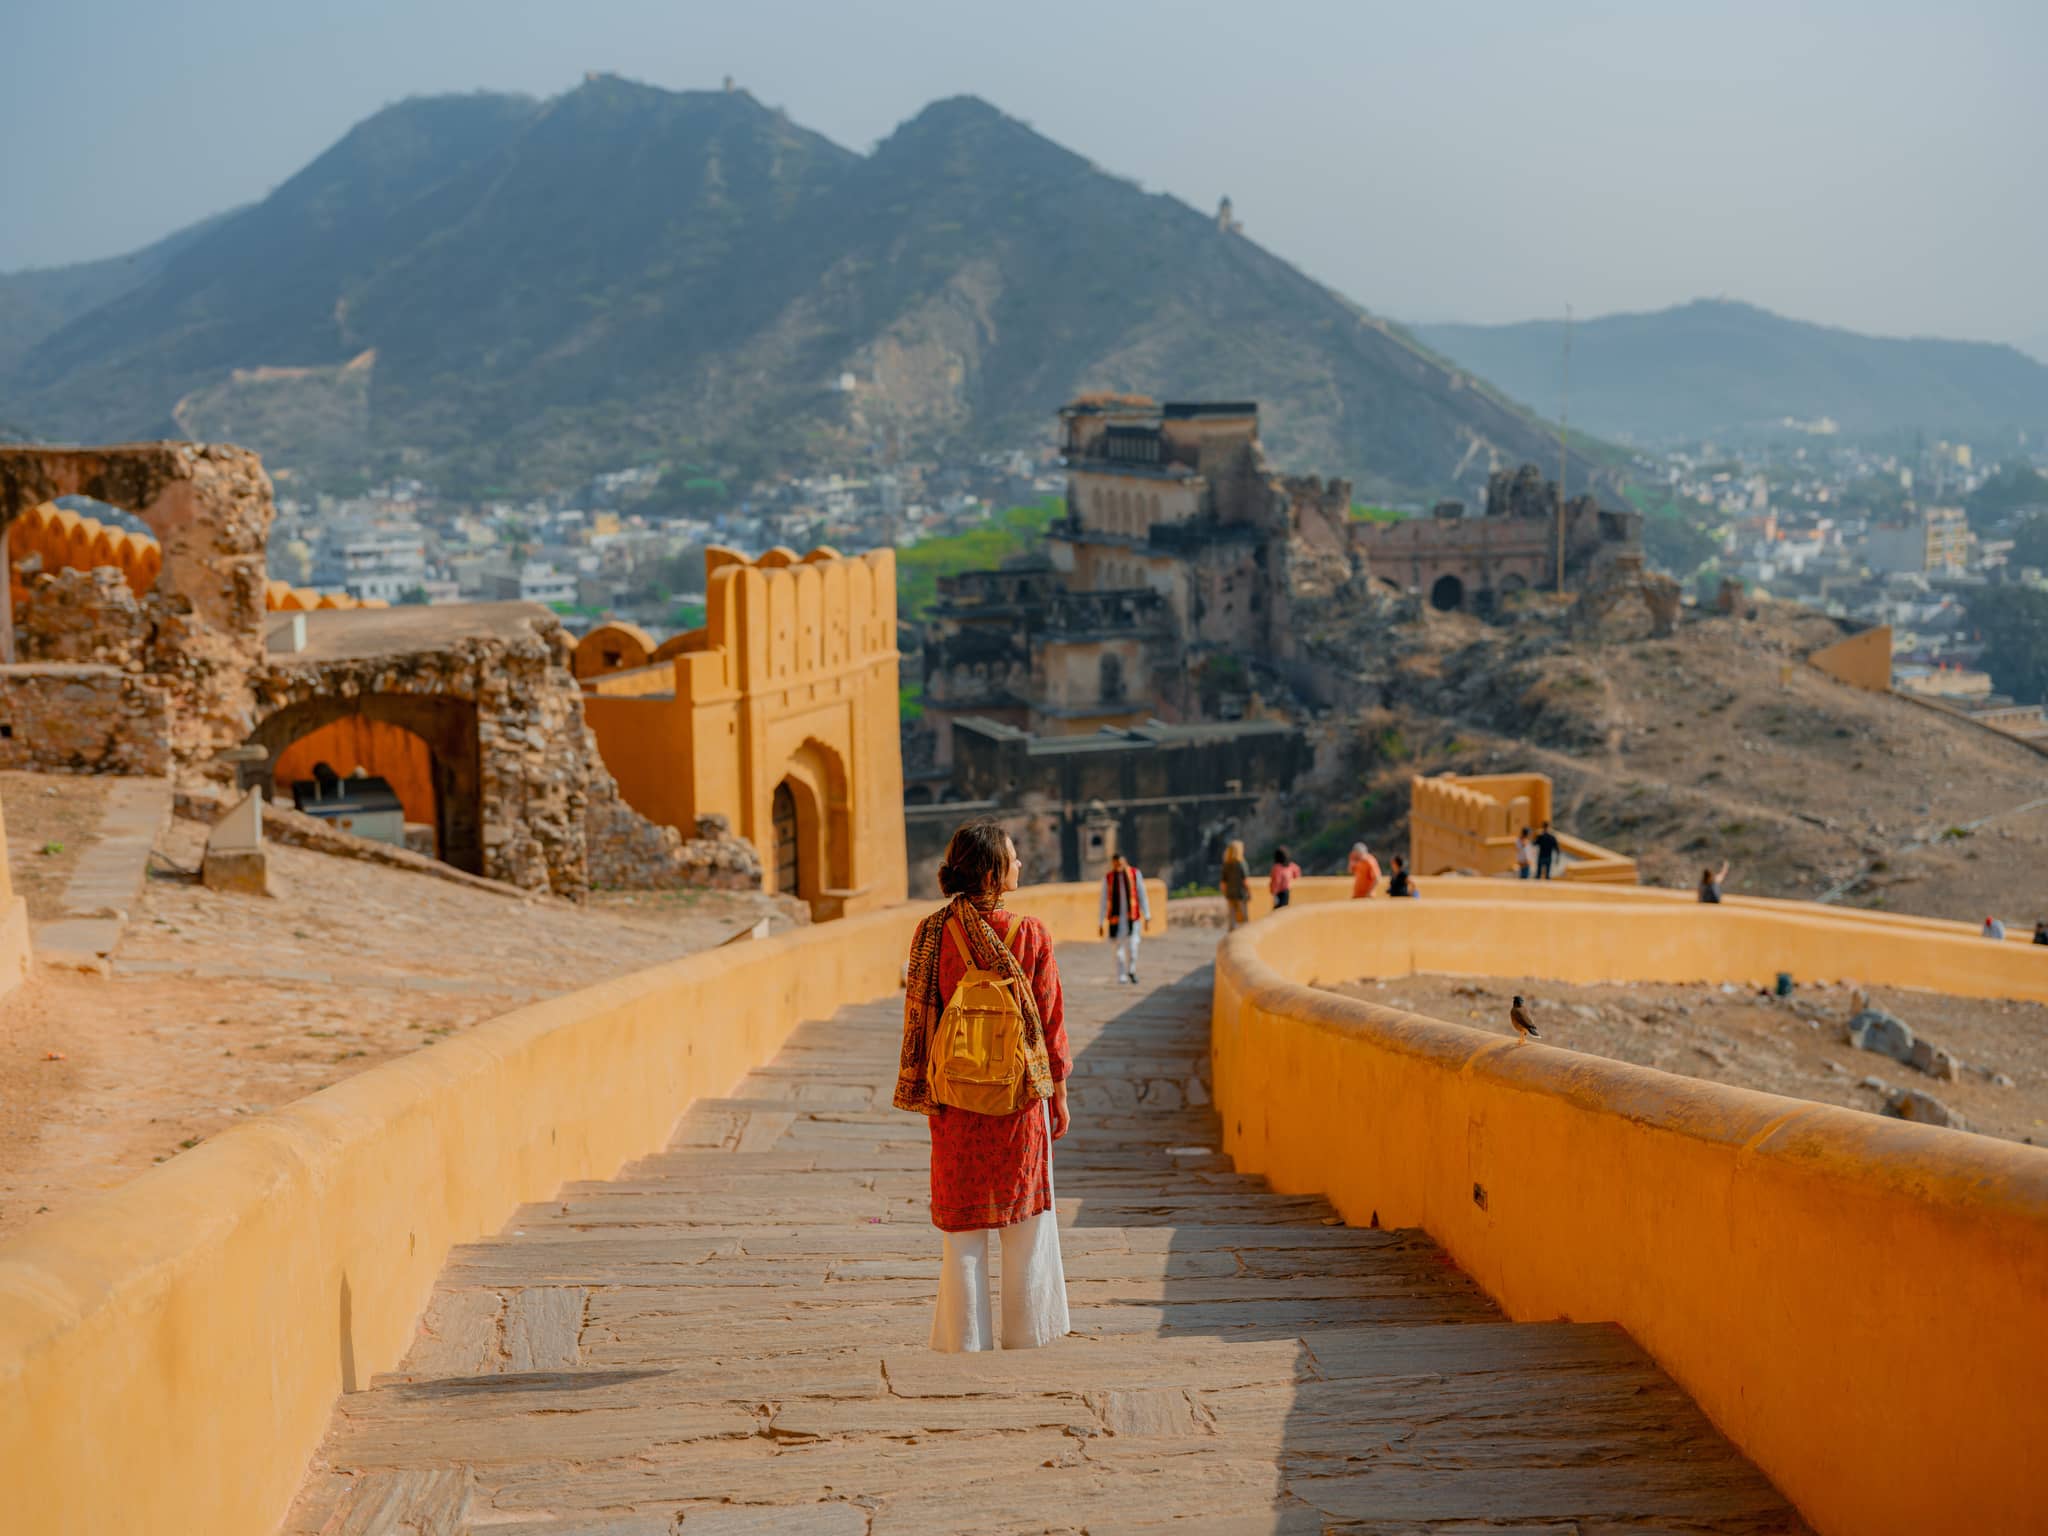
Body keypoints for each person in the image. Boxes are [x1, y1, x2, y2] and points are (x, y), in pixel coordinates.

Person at [895, 821, 1071, 1352]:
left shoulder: (930, 933)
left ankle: (963, 1341)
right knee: (1026, 1225)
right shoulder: (1031, 933)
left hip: (955, 1098)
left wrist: (925, 1086)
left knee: (963, 1231)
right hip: (1017, 1098)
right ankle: (1028, 1335)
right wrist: (1058, 1092)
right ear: (993, 871)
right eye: (1013, 860)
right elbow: (1050, 1018)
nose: (1021, 867)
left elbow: (920, 1014)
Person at [1098, 850, 1152, 983]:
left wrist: (1147, 916)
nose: (1118, 867)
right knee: (1118, 949)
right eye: (1116, 864)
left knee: (1133, 946)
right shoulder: (1109, 878)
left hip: (1132, 918)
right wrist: (1100, 922)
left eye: (1120, 864)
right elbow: (1103, 901)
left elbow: (1142, 895)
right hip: (1116, 919)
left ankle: (1131, 970)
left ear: (1125, 862)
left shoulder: (1135, 874)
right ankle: (1121, 975)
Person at [1219, 839, 1250, 930]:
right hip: (1240, 893)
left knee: (1231, 916)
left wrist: (1225, 893)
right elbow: (1245, 880)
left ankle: (1231, 934)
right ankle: (1245, 932)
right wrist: (1249, 892)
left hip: (1230, 893)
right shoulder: (1242, 864)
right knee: (1244, 915)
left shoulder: (1226, 864)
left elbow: (1223, 882)